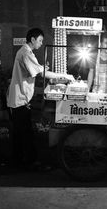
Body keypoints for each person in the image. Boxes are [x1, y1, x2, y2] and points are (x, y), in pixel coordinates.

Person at [7, 27, 75, 170]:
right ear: (32, 39)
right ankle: (28, 162)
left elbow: (38, 70)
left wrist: (44, 68)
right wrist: (64, 76)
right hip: (20, 99)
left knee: (21, 133)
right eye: (40, 40)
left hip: (20, 98)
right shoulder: (25, 53)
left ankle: (18, 162)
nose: (41, 43)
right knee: (25, 133)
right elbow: (41, 74)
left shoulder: (27, 52)